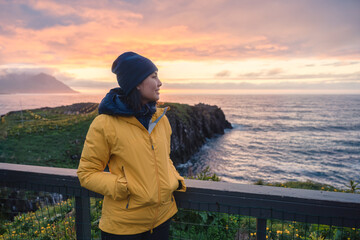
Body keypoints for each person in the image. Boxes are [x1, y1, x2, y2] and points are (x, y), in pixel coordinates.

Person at [77, 52, 186, 240]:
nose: (160, 83)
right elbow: (86, 174)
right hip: (123, 227)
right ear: (136, 83)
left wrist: (173, 179)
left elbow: (164, 158)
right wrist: (123, 187)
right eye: (154, 77)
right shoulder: (105, 124)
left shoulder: (161, 119)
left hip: (162, 219)